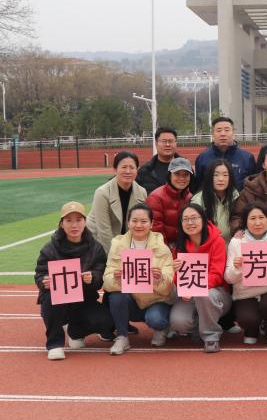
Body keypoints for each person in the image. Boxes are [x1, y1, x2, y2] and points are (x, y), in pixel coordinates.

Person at [34, 201, 113, 360]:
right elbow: (40, 274)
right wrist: (44, 282)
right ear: (61, 224)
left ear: (85, 222)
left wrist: (93, 278)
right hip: (58, 302)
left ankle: (75, 331)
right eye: (69, 220)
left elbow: (100, 275)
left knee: (108, 322)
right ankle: (55, 344)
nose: (74, 225)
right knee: (49, 297)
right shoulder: (50, 249)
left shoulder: (96, 248)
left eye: (78, 220)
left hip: (84, 300)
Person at [102, 203, 175, 355]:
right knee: (115, 296)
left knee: (156, 320)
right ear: (128, 223)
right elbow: (107, 280)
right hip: (132, 302)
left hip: (156, 300)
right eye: (134, 221)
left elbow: (168, 285)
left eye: (143, 221)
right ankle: (122, 337)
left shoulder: (162, 247)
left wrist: (158, 279)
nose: (139, 225)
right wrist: (116, 279)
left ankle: (162, 327)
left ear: (151, 224)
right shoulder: (117, 245)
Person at [224, 202, 267, 348]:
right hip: (245, 293)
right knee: (248, 319)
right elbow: (228, 278)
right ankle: (252, 329)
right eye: (252, 218)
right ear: (245, 221)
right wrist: (237, 268)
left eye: (261, 217)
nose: (257, 223)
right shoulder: (236, 242)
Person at [168, 202, 231, 353]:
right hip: (190, 294)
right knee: (178, 323)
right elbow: (178, 278)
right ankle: (200, 325)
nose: (190, 222)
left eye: (194, 218)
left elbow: (217, 275)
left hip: (216, 293)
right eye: (185, 219)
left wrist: (196, 288)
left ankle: (211, 336)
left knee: (205, 295)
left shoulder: (217, 241)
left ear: (203, 219)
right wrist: (175, 272)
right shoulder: (180, 245)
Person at [86, 150, 148, 252]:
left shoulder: (142, 192)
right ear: (115, 170)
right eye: (124, 167)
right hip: (97, 240)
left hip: (124, 242)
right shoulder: (102, 193)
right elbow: (104, 231)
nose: (128, 171)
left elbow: (140, 225)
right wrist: (116, 256)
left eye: (132, 167)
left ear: (137, 170)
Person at [193, 116, 257, 187]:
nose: (223, 134)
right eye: (219, 130)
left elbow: (253, 185)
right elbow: (198, 186)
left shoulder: (247, 158)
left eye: (227, 130)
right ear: (213, 135)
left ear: (233, 134)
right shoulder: (202, 158)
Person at [146, 157, 194, 249]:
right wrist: (168, 252)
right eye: (177, 174)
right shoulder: (156, 197)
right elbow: (156, 231)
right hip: (162, 250)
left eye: (186, 174)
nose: (182, 178)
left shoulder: (190, 197)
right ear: (169, 175)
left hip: (183, 249)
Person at [195, 159, 240, 244]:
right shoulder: (198, 200)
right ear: (209, 177)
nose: (221, 179)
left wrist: (239, 230)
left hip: (232, 245)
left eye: (225, 175)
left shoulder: (236, 196)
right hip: (209, 246)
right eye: (216, 175)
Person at [136, 127, 183, 193]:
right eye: (164, 141)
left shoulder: (186, 168)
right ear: (156, 143)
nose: (167, 144)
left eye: (171, 141)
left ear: (176, 143)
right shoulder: (144, 171)